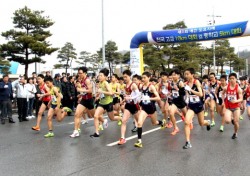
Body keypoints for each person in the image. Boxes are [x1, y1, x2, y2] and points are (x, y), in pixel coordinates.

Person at [183, 68, 211, 149]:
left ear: (192, 74)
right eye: (185, 74)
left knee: (201, 123)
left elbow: (201, 94)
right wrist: (186, 98)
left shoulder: (196, 82)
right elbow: (187, 94)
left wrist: (190, 89)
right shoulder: (186, 83)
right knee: (186, 122)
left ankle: (208, 123)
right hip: (191, 106)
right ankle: (188, 142)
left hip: (198, 105)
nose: (186, 75)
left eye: (187, 74)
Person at [134, 71, 163, 148]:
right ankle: (139, 141)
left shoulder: (151, 87)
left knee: (154, 123)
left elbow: (158, 98)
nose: (143, 79)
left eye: (144, 78)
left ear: (149, 78)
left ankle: (161, 122)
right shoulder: (141, 86)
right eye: (142, 77)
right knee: (139, 123)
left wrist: (149, 98)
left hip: (152, 108)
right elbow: (140, 95)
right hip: (144, 108)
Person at [90, 68, 122, 137]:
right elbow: (101, 93)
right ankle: (96, 133)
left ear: (105, 77)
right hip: (102, 103)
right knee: (95, 116)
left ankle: (121, 118)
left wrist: (102, 91)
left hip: (108, 103)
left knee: (112, 118)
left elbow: (111, 93)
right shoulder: (100, 83)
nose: (99, 77)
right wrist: (97, 96)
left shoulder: (106, 83)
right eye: (99, 76)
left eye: (101, 76)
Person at [70, 67, 95, 138]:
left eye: (80, 73)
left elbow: (90, 91)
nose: (79, 74)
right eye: (78, 73)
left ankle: (103, 120)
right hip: (84, 100)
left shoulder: (87, 80)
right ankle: (76, 131)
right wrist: (80, 94)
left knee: (94, 116)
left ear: (85, 73)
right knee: (77, 114)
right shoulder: (81, 80)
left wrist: (80, 89)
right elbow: (84, 91)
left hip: (89, 100)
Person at [117, 70, 141, 145]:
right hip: (128, 105)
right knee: (124, 121)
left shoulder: (133, 85)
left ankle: (140, 138)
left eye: (126, 77)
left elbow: (138, 95)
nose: (124, 78)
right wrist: (124, 100)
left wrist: (130, 98)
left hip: (134, 105)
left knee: (139, 123)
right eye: (123, 77)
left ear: (129, 76)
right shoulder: (125, 85)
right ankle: (122, 138)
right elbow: (127, 95)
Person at [222, 73, 243, 139]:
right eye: (230, 78)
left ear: (236, 79)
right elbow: (222, 93)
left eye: (233, 78)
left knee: (236, 122)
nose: (231, 80)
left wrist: (235, 101)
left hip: (236, 107)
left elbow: (241, 98)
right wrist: (223, 101)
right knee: (227, 121)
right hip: (228, 107)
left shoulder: (238, 88)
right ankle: (232, 119)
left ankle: (235, 133)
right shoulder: (226, 87)